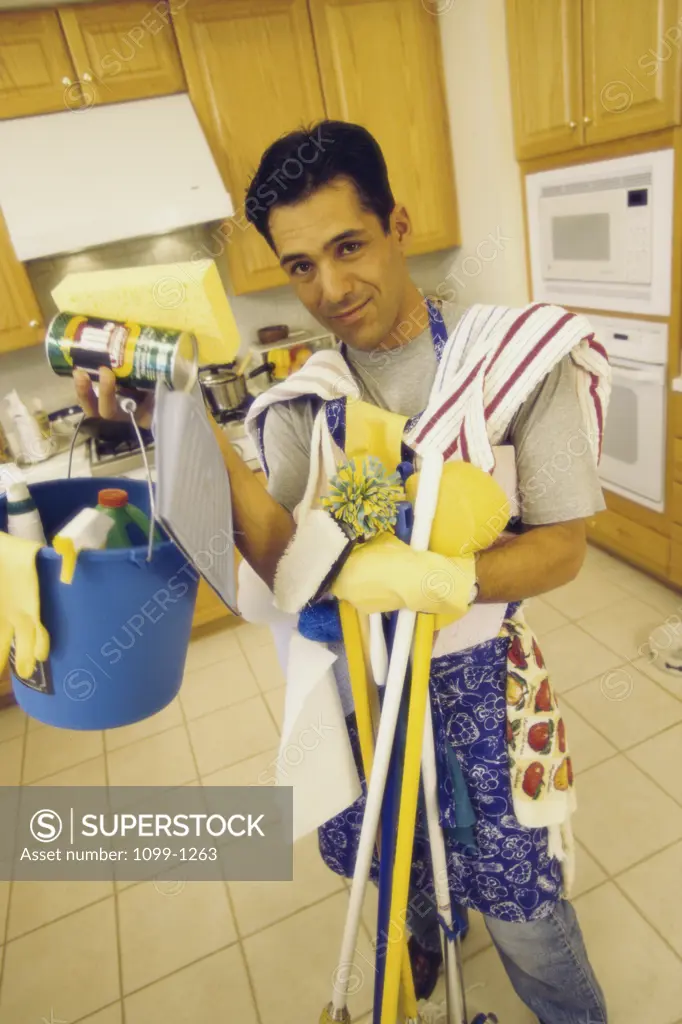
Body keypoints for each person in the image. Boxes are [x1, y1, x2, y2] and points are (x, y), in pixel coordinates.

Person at [75, 120, 608, 1023]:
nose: (330, 288)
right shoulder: (303, 402)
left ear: (398, 223)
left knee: (525, 908)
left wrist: (432, 579)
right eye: (300, 266)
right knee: (394, 871)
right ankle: (425, 938)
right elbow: (282, 561)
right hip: (356, 692)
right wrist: (173, 412)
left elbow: (561, 547)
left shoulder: (506, 364)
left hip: (480, 688)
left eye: (348, 246)